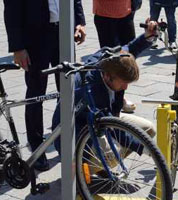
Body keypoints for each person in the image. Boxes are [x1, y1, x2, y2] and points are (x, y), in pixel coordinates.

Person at [50, 20, 160, 155]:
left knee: (148, 129)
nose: (125, 87)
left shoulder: (111, 59)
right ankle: (85, 171)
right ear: (108, 76)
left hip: (96, 123)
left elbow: (129, 50)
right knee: (113, 154)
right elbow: (116, 130)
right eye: (123, 82)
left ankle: (102, 167)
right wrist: (147, 150)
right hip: (74, 137)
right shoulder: (95, 90)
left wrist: (147, 36)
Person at [3, 0, 86, 171]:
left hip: (63, 31)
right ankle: (37, 146)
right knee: (36, 93)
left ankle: (66, 141)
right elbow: (12, 8)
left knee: (68, 89)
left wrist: (79, 22)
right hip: (35, 37)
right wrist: (17, 47)